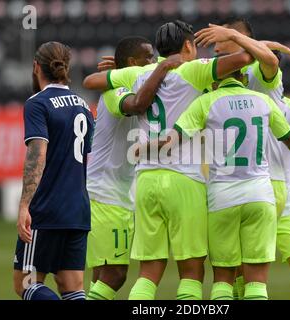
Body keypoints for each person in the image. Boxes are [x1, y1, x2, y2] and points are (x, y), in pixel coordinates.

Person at [83, 19, 276, 300]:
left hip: (146, 181)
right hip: (185, 179)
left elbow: (91, 81)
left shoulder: (138, 74)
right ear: (188, 45)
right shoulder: (195, 71)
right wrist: (232, 34)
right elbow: (247, 57)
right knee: (191, 272)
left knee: (147, 272)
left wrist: (121, 68)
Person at [195, 17, 290, 300]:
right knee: (242, 277)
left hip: (281, 193)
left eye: (222, 42)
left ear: (240, 40)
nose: (217, 49)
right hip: (250, 190)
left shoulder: (261, 78)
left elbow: (269, 60)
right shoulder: (218, 79)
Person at [172, 70, 290, 300]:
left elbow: (176, 138)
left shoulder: (206, 101)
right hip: (259, 195)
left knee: (224, 280)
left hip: (222, 197)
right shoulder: (263, 100)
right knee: (256, 283)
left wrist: (148, 147)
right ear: (244, 79)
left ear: (215, 81)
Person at [85, 36, 182, 300]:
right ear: (131, 63)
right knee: (115, 275)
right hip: (106, 196)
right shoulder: (115, 92)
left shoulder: (125, 80)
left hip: (114, 194)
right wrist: (161, 69)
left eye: (155, 58)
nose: (153, 62)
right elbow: (139, 104)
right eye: (148, 58)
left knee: (102, 274)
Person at [13, 41, 94, 300]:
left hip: (47, 209)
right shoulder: (83, 105)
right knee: (72, 287)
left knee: (25, 284)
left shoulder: (38, 103)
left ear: (36, 67)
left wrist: (25, 205)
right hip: (78, 209)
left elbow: (38, 154)